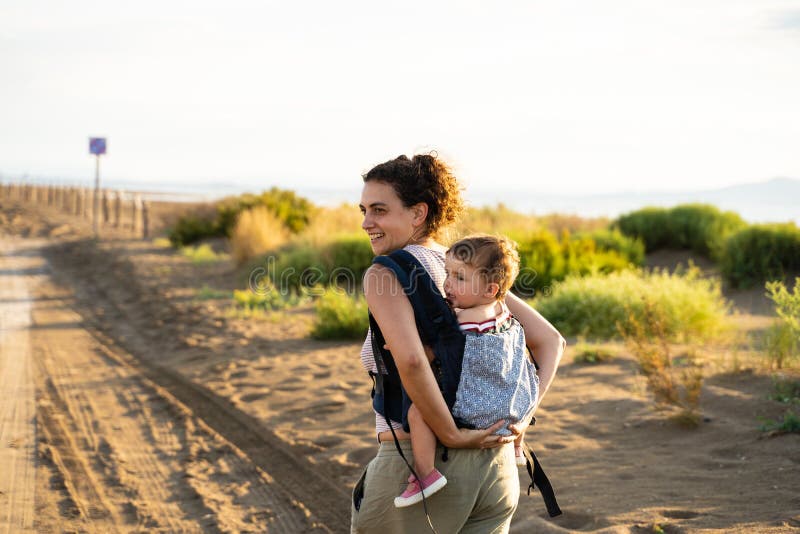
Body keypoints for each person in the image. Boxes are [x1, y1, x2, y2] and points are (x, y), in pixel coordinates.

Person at [352, 153, 565, 533]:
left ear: (418, 213)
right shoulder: (470, 272)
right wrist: (521, 418)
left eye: (379, 210)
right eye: (364, 210)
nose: (367, 222)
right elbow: (550, 341)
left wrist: (452, 435)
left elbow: (413, 363)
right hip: (498, 471)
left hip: (426, 471)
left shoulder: (386, 272)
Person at [395, 234, 538, 508]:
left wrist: (399, 344)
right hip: (512, 409)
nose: (448, 284)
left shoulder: (460, 321)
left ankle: (425, 475)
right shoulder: (504, 314)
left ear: (489, 289)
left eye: (460, 278)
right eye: (448, 274)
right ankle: (518, 443)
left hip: (473, 412)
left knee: (418, 411)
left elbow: (430, 354)